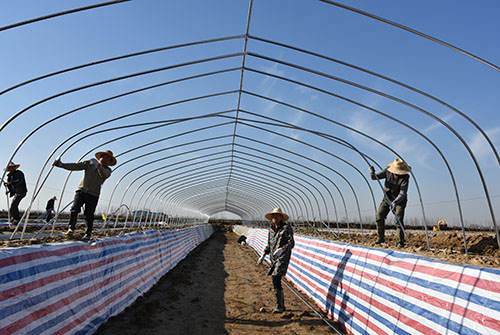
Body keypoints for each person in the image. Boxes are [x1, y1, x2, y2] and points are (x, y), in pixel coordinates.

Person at [53, 150, 116, 240]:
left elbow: (104, 174)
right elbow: (76, 166)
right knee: (74, 209)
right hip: (81, 190)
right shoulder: (89, 163)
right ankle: (71, 228)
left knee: (89, 215)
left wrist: (97, 166)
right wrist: (62, 165)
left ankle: (88, 233)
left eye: (108, 159)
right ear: (100, 158)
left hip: (93, 194)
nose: (105, 160)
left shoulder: (107, 170)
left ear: (109, 162)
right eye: (104, 157)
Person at [257, 207, 295, 313]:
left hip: (282, 257)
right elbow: (269, 243)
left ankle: (279, 306)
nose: (274, 217)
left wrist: (283, 249)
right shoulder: (271, 229)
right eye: (273, 216)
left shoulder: (286, 228)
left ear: (281, 217)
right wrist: (263, 255)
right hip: (273, 257)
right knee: (275, 280)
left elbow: (291, 243)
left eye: (277, 215)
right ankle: (281, 305)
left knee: (276, 278)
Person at [370, 158, 411, 247]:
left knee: (398, 220)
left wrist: (395, 202)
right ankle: (380, 238)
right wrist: (372, 173)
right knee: (379, 216)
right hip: (387, 198)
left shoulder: (405, 178)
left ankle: (400, 242)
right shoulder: (387, 171)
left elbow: (403, 193)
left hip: (400, 201)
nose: (396, 173)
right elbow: (375, 177)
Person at [4, 162, 27, 226]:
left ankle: (16, 219)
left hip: (21, 191)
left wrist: (10, 183)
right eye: (10, 168)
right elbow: (10, 186)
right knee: (12, 206)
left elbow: (19, 181)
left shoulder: (19, 173)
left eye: (12, 167)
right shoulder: (9, 176)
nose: (11, 168)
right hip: (16, 192)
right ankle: (13, 218)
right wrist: (8, 190)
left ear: (14, 167)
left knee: (14, 204)